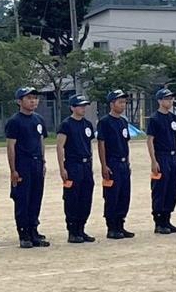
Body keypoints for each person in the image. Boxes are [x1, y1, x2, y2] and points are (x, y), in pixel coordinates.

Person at [6, 86, 49, 248]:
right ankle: (24, 233)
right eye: (29, 98)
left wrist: (43, 161)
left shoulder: (38, 119)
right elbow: (11, 146)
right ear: (19, 101)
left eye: (35, 98)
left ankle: (33, 230)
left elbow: (41, 141)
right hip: (23, 163)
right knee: (23, 199)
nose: (33, 101)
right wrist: (13, 170)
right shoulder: (15, 121)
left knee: (36, 197)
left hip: (37, 163)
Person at [56, 94, 95, 243]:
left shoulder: (87, 125)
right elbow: (60, 147)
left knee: (86, 198)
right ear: (72, 107)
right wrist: (62, 168)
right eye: (80, 106)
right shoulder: (66, 125)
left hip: (86, 165)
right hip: (73, 165)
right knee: (72, 198)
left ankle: (81, 228)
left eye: (84, 106)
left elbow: (89, 145)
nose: (83, 108)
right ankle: (72, 231)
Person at [97, 90, 134, 240]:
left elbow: (125, 143)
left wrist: (128, 160)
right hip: (112, 162)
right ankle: (112, 227)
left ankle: (120, 224)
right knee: (112, 195)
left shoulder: (123, 121)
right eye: (120, 102)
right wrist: (104, 165)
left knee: (124, 195)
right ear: (112, 104)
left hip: (123, 163)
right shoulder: (105, 122)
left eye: (124, 102)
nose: (123, 105)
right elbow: (101, 144)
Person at [147, 87, 176, 233]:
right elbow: (150, 140)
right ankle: (159, 221)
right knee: (160, 189)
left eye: (171, 98)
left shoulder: (173, 118)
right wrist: (153, 160)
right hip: (161, 156)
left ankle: (167, 219)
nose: (170, 101)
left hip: (173, 156)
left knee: (172, 188)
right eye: (167, 98)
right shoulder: (155, 119)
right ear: (160, 101)